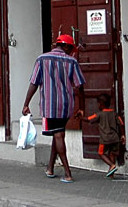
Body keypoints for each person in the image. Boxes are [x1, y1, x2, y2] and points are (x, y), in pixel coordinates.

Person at [22, 34, 85, 183]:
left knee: (58, 136)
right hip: (66, 105)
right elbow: (80, 86)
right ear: (67, 47)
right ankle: (50, 167)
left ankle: (68, 173)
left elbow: (34, 83)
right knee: (58, 134)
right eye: (71, 49)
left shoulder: (42, 59)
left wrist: (26, 103)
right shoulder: (72, 61)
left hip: (50, 106)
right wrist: (81, 107)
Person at [84, 93, 125, 177]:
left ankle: (111, 165)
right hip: (115, 138)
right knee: (112, 154)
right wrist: (123, 135)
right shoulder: (114, 113)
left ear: (101, 104)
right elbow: (121, 124)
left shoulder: (99, 114)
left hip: (105, 139)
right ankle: (111, 174)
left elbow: (89, 119)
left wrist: (80, 117)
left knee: (101, 153)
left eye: (98, 103)